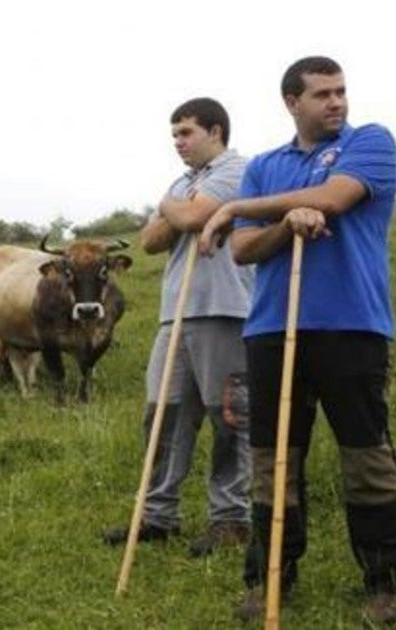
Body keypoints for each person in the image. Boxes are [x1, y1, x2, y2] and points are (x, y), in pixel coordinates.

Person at [198, 56, 396, 624]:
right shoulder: (267, 165)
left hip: (352, 325)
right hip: (272, 328)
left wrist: (235, 208)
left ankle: (390, 582)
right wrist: (284, 222)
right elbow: (245, 250)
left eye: (341, 91)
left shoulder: (371, 142)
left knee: (367, 457)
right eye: (322, 94)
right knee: (274, 460)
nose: (337, 102)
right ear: (292, 102)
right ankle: (268, 578)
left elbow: (335, 199)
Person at [104, 97, 253, 558]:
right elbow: (150, 241)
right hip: (175, 314)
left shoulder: (238, 170)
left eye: (186, 133)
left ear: (216, 131)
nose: (178, 143)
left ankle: (231, 518)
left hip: (222, 308)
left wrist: (173, 209)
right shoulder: (183, 183)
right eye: (174, 136)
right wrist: (179, 207)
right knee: (163, 414)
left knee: (228, 415)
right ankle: (157, 514)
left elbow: (185, 218)